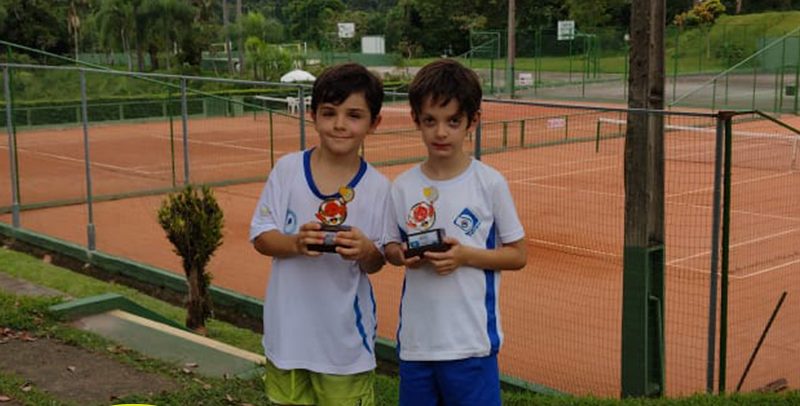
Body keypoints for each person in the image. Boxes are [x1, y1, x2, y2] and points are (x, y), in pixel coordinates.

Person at [384, 59, 528, 406]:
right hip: (417, 345)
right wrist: (403, 256)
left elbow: (518, 255)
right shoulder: (402, 186)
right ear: (415, 119)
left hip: (471, 344)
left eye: (453, 121)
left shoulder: (490, 184)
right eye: (430, 121)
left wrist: (464, 256)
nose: (441, 132)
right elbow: (390, 248)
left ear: (472, 121)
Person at [249, 63, 390, 406]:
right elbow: (262, 237)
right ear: (312, 116)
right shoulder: (287, 170)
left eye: (354, 115)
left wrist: (364, 249)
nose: (340, 124)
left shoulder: (379, 188)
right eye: (329, 113)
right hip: (287, 340)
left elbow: (377, 262)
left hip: (344, 347)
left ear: (374, 123)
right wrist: (295, 243)